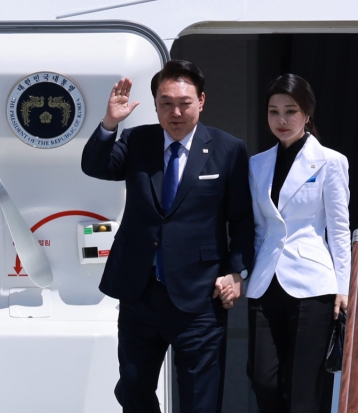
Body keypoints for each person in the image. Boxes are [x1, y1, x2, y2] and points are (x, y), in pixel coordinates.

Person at [81, 60, 254, 413]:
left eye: (184, 103)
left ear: (201, 101)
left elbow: (241, 220)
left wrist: (238, 273)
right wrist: (110, 123)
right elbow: (95, 166)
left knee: (199, 398)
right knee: (133, 389)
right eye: (166, 103)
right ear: (156, 104)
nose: (175, 113)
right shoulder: (136, 140)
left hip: (200, 296)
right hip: (139, 291)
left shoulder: (227, 149)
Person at [245, 74, 351, 413]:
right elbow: (259, 227)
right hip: (264, 283)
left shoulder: (331, 161)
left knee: (302, 390)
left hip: (313, 284)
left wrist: (343, 286)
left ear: (307, 114)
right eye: (274, 112)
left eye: (291, 111)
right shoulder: (256, 164)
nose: (281, 120)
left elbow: (338, 229)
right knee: (262, 379)